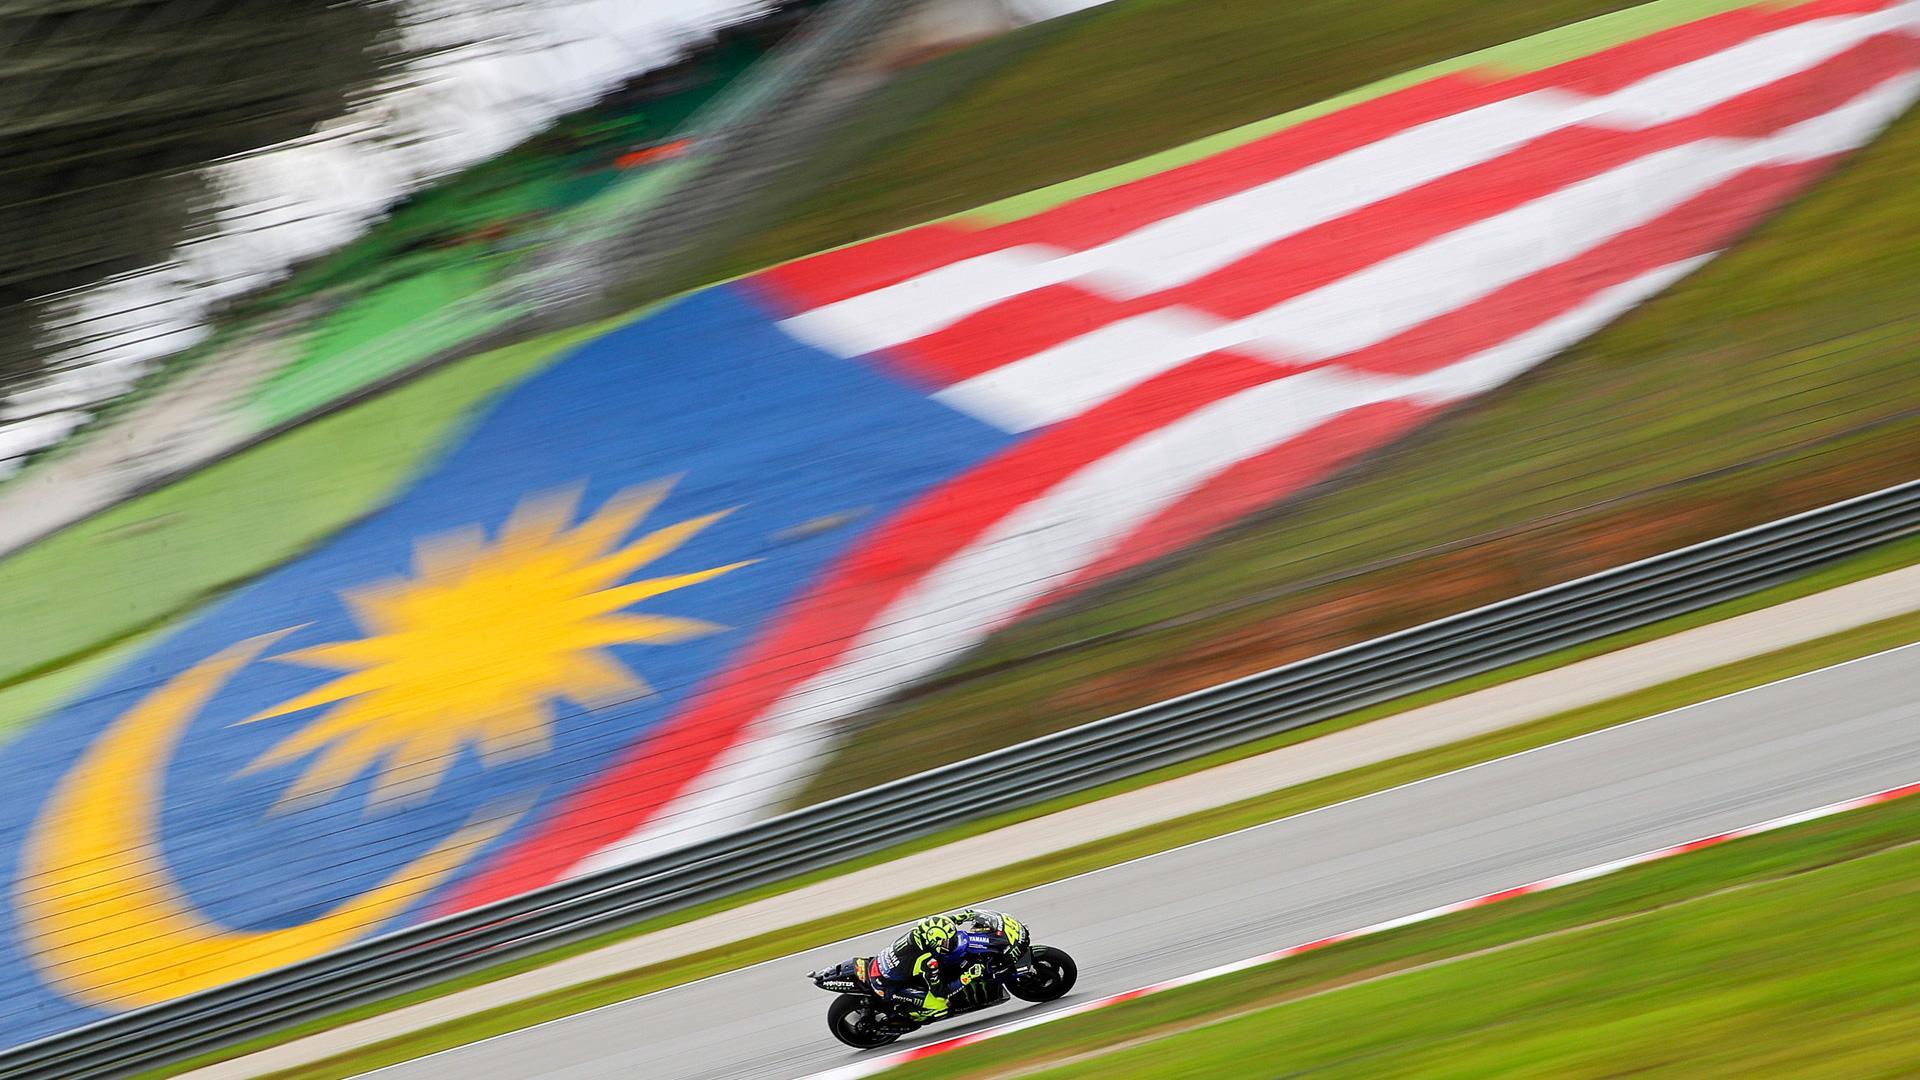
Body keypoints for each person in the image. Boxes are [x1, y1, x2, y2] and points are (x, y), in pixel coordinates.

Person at [868, 908, 1006, 1020]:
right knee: (941, 1005)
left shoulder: (925, 929)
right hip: (888, 985)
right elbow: (940, 991)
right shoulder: (928, 961)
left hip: (883, 965)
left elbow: (946, 922)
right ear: (935, 942)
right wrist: (968, 976)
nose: (951, 943)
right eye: (946, 942)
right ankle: (907, 1013)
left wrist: (967, 916)